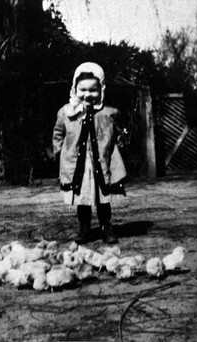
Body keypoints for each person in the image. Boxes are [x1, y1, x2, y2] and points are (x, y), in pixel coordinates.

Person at [52, 62, 127, 244]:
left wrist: (119, 143)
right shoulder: (66, 112)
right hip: (78, 165)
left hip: (100, 164)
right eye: (83, 89)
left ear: (101, 89)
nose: (87, 94)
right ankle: (84, 228)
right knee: (82, 199)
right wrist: (60, 153)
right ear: (74, 89)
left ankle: (106, 227)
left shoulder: (109, 113)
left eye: (93, 90)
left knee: (103, 198)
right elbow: (58, 133)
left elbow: (117, 132)